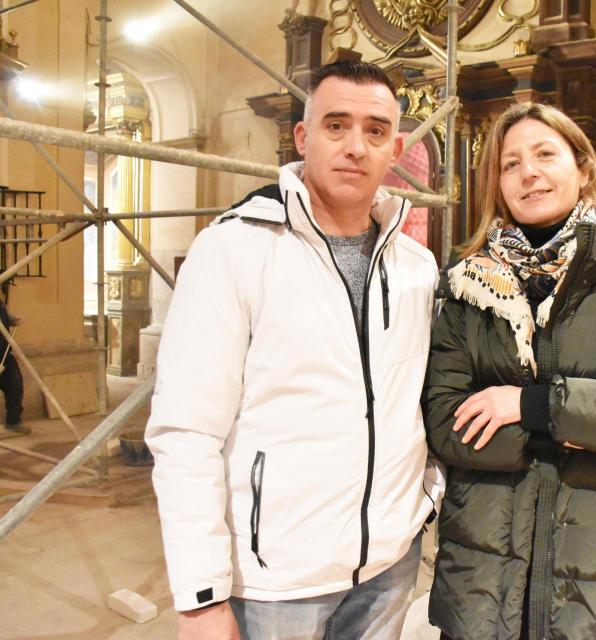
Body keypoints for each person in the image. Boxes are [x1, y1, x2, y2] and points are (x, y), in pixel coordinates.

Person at [146, 61, 443, 640]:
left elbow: (417, 402)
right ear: (304, 138)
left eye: (375, 131)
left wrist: (423, 502)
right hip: (277, 582)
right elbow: (186, 431)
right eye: (336, 125)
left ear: (396, 149)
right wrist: (201, 596)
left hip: (390, 565)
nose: (356, 146)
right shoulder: (234, 250)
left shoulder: (416, 267)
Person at [424, 102, 596, 640]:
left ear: (583, 169)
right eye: (510, 164)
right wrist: (591, 427)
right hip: (485, 583)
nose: (528, 172)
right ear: (497, 184)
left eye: (544, 154)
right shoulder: (466, 288)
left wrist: (535, 407)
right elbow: (444, 421)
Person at [0, 293, 26, 437]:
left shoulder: (1, 304)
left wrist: (13, 320)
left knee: (15, 383)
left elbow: (6, 319)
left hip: (3, 355)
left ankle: (13, 421)